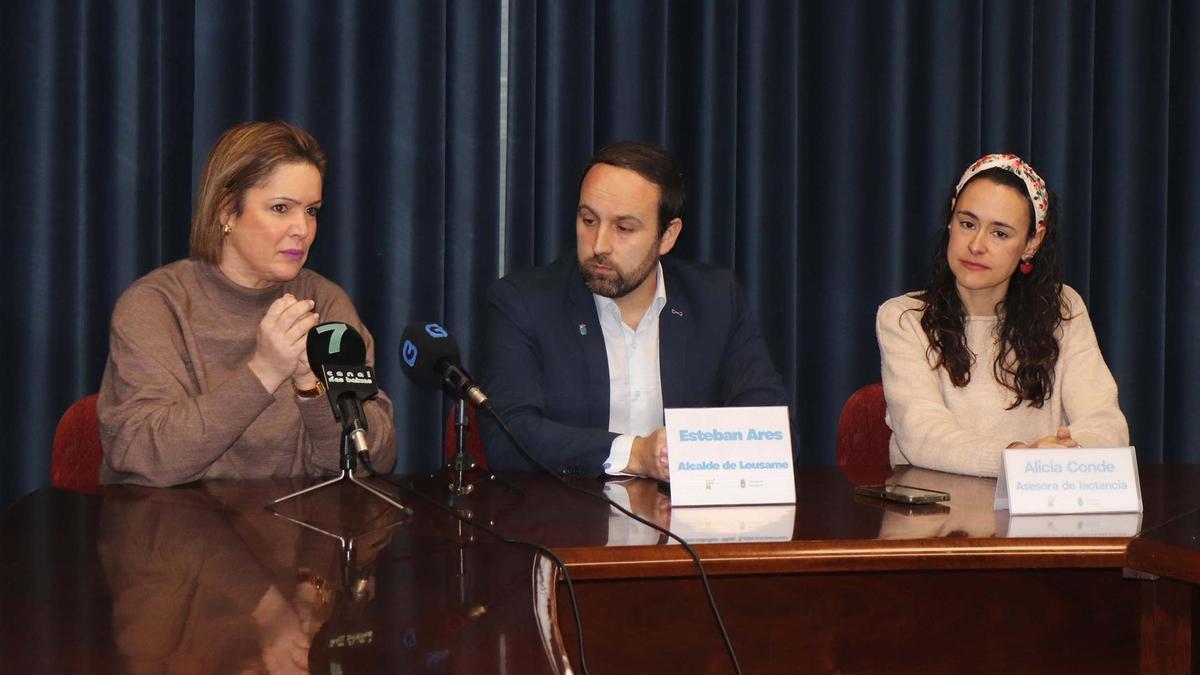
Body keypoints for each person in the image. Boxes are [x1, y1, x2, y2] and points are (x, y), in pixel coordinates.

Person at [98, 120, 395, 487]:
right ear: (226, 210)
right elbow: (144, 455)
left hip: (297, 534)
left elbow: (374, 458)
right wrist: (264, 372)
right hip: (170, 533)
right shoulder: (155, 306)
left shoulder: (324, 303)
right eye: (281, 208)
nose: (302, 229)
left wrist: (312, 388)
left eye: (312, 210)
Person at [480, 141, 790, 480]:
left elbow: (773, 428)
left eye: (624, 228)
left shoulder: (715, 300)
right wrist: (636, 454)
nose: (599, 245)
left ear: (668, 236)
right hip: (565, 522)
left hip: (684, 526)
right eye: (588, 220)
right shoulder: (522, 303)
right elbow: (508, 438)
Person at [876, 153, 1129, 477]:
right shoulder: (905, 317)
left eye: (1000, 233)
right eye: (968, 224)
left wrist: (1068, 456)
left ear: (1031, 243)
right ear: (950, 223)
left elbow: (1106, 424)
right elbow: (921, 434)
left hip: (1042, 514)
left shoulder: (1063, 308)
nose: (977, 245)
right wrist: (1020, 461)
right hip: (936, 520)